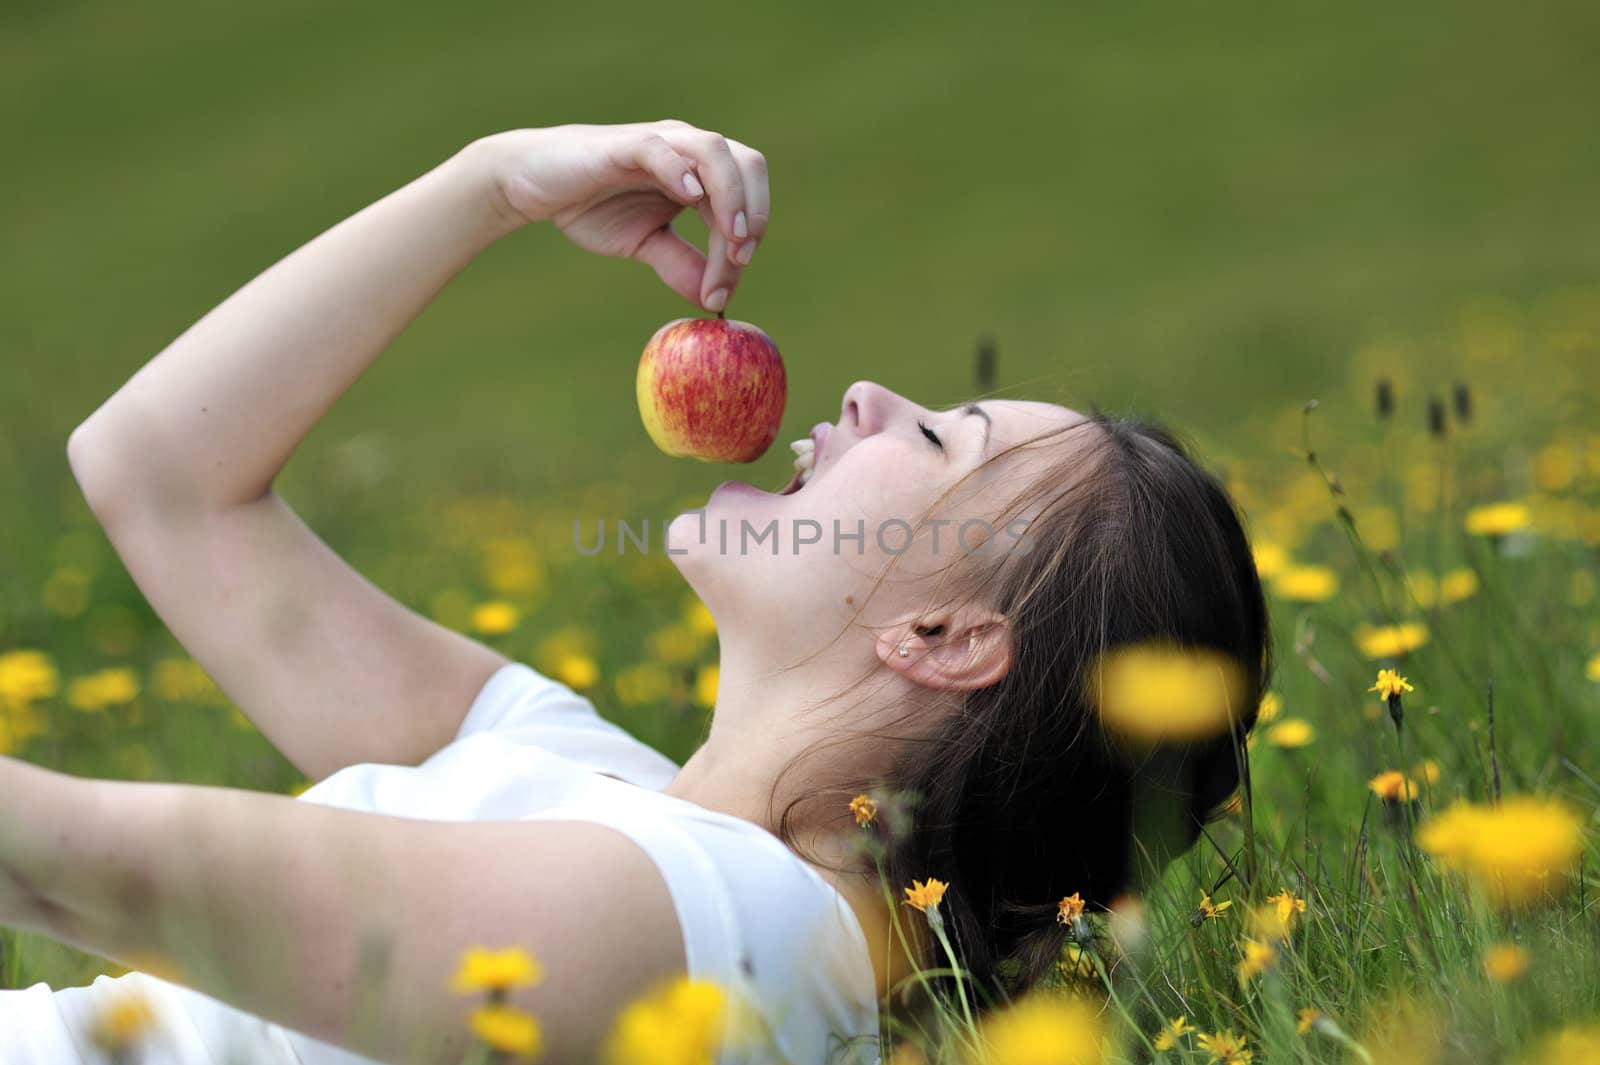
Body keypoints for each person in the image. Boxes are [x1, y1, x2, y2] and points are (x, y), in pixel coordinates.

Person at [0, 119, 1269, 1065]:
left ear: (941, 637)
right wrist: (486, 187)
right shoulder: (577, 772)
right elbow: (159, 476)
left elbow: (98, 870)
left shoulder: (750, 940)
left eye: (938, 440)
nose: (873, 395)